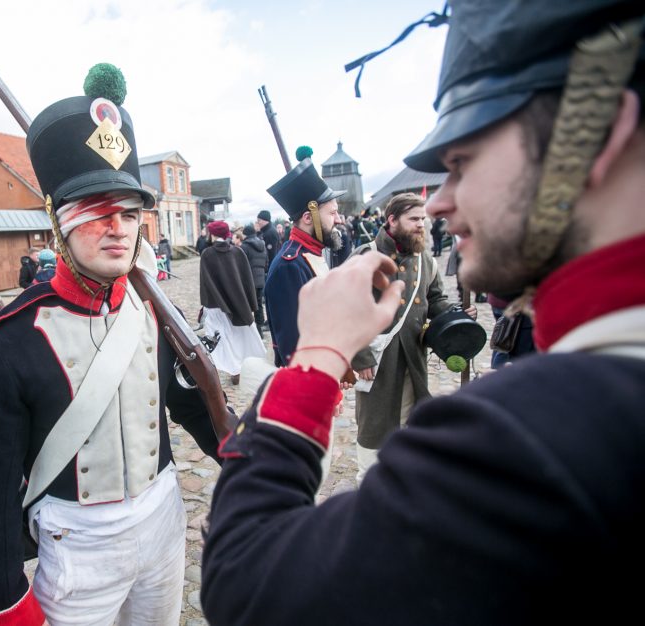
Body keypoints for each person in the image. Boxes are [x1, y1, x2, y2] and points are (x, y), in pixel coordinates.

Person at [201, 2, 645, 623]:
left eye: (462, 164)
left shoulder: (521, 436)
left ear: (592, 134)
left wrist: (317, 358)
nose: (437, 205)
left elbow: (246, 580)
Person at [0, 64, 221, 626]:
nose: (118, 228)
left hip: (162, 516)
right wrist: (4, 602)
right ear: (59, 224)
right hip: (77, 542)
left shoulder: (151, 310)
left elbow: (191, 401)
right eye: (95, 212)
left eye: (129, 213)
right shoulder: (9, 342)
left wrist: (249, 458)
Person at [349, 193, 473, 482]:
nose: (422, 225)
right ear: (392, 220)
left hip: (413, 357)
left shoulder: (425, 260)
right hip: (378, 359)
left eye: (424, 219)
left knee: (409, 420)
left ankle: (401, 480)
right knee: (374, 426)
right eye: (414, 219)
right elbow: (347, 309)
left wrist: (456, 317)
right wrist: (360, 356)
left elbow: (435, 298)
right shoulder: (366, 257)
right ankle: (370, 485)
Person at [262, 154, 346, 366]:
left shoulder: (315, 251)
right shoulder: (289, 265)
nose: (338, 219)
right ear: (308, 218)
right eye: (332, 213)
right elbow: (294, 344)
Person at [200, 220, 266, 385]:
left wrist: (206, 303)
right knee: (239, 336)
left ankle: (232, 368)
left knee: (221, 338)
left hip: (216, 305)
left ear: (214, 234)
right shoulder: (238, 252)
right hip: (238, 303)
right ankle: (239, 368)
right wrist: (250, 303)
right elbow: (247, 281)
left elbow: (206, 282)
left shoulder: (208, 254)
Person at [239, 224, 268, 332]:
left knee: (246, 305)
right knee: (258, 305)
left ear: (245, 234)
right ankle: (259, 330)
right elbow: (266, 263)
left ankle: (248, 330)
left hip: (248, 280)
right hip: (260, 279)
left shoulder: (244, 246)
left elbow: (240, 265)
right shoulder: (262, 245)